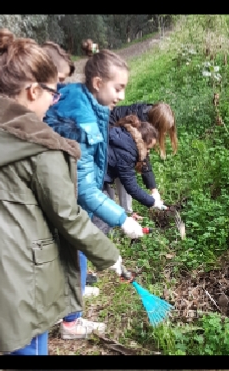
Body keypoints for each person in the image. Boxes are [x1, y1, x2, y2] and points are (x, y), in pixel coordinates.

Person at [0, 30, 124, 354]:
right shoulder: (40, 146)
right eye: (52, 93)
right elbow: (68, 216)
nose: (55, 101)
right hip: (26, 276)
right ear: (32, 90)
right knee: (32, 348)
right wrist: (110, 256)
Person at [42, 41, 148, 341]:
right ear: (98, 83)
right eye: (118, 88)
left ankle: (77, 289)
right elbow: (85, 188)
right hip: (63, 198)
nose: (123, 96)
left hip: (64, 196)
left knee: (79, 243)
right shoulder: (83, 118)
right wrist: (123, 220)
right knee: (74, 242)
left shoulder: (84, 99)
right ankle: (71, 322)